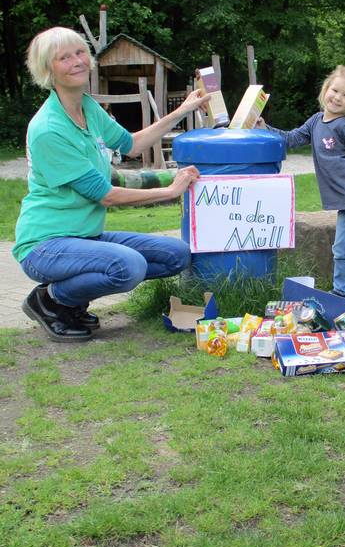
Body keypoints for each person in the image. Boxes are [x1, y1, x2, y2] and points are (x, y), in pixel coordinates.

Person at [13, 26, 211, 342]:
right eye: (64, 58)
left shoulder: (88, 107)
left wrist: (184, 110)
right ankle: (52, 300)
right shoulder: (49, 129)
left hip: (86, 236)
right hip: (45, 245)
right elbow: (104, 195)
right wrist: (170, 191)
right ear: (48, 69)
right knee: (128, 266)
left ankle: (70, 301)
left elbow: (132, 145)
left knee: (176, 255)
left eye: (80, 52)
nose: (77, 61)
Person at [257, 65, 345, 321]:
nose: (337, 98)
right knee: (341, 249)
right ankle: (340, 293)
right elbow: (290, 139)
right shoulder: (315, 122)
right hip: (344, 201)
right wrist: (264, 127)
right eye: (334, 90)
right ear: (325, 90)